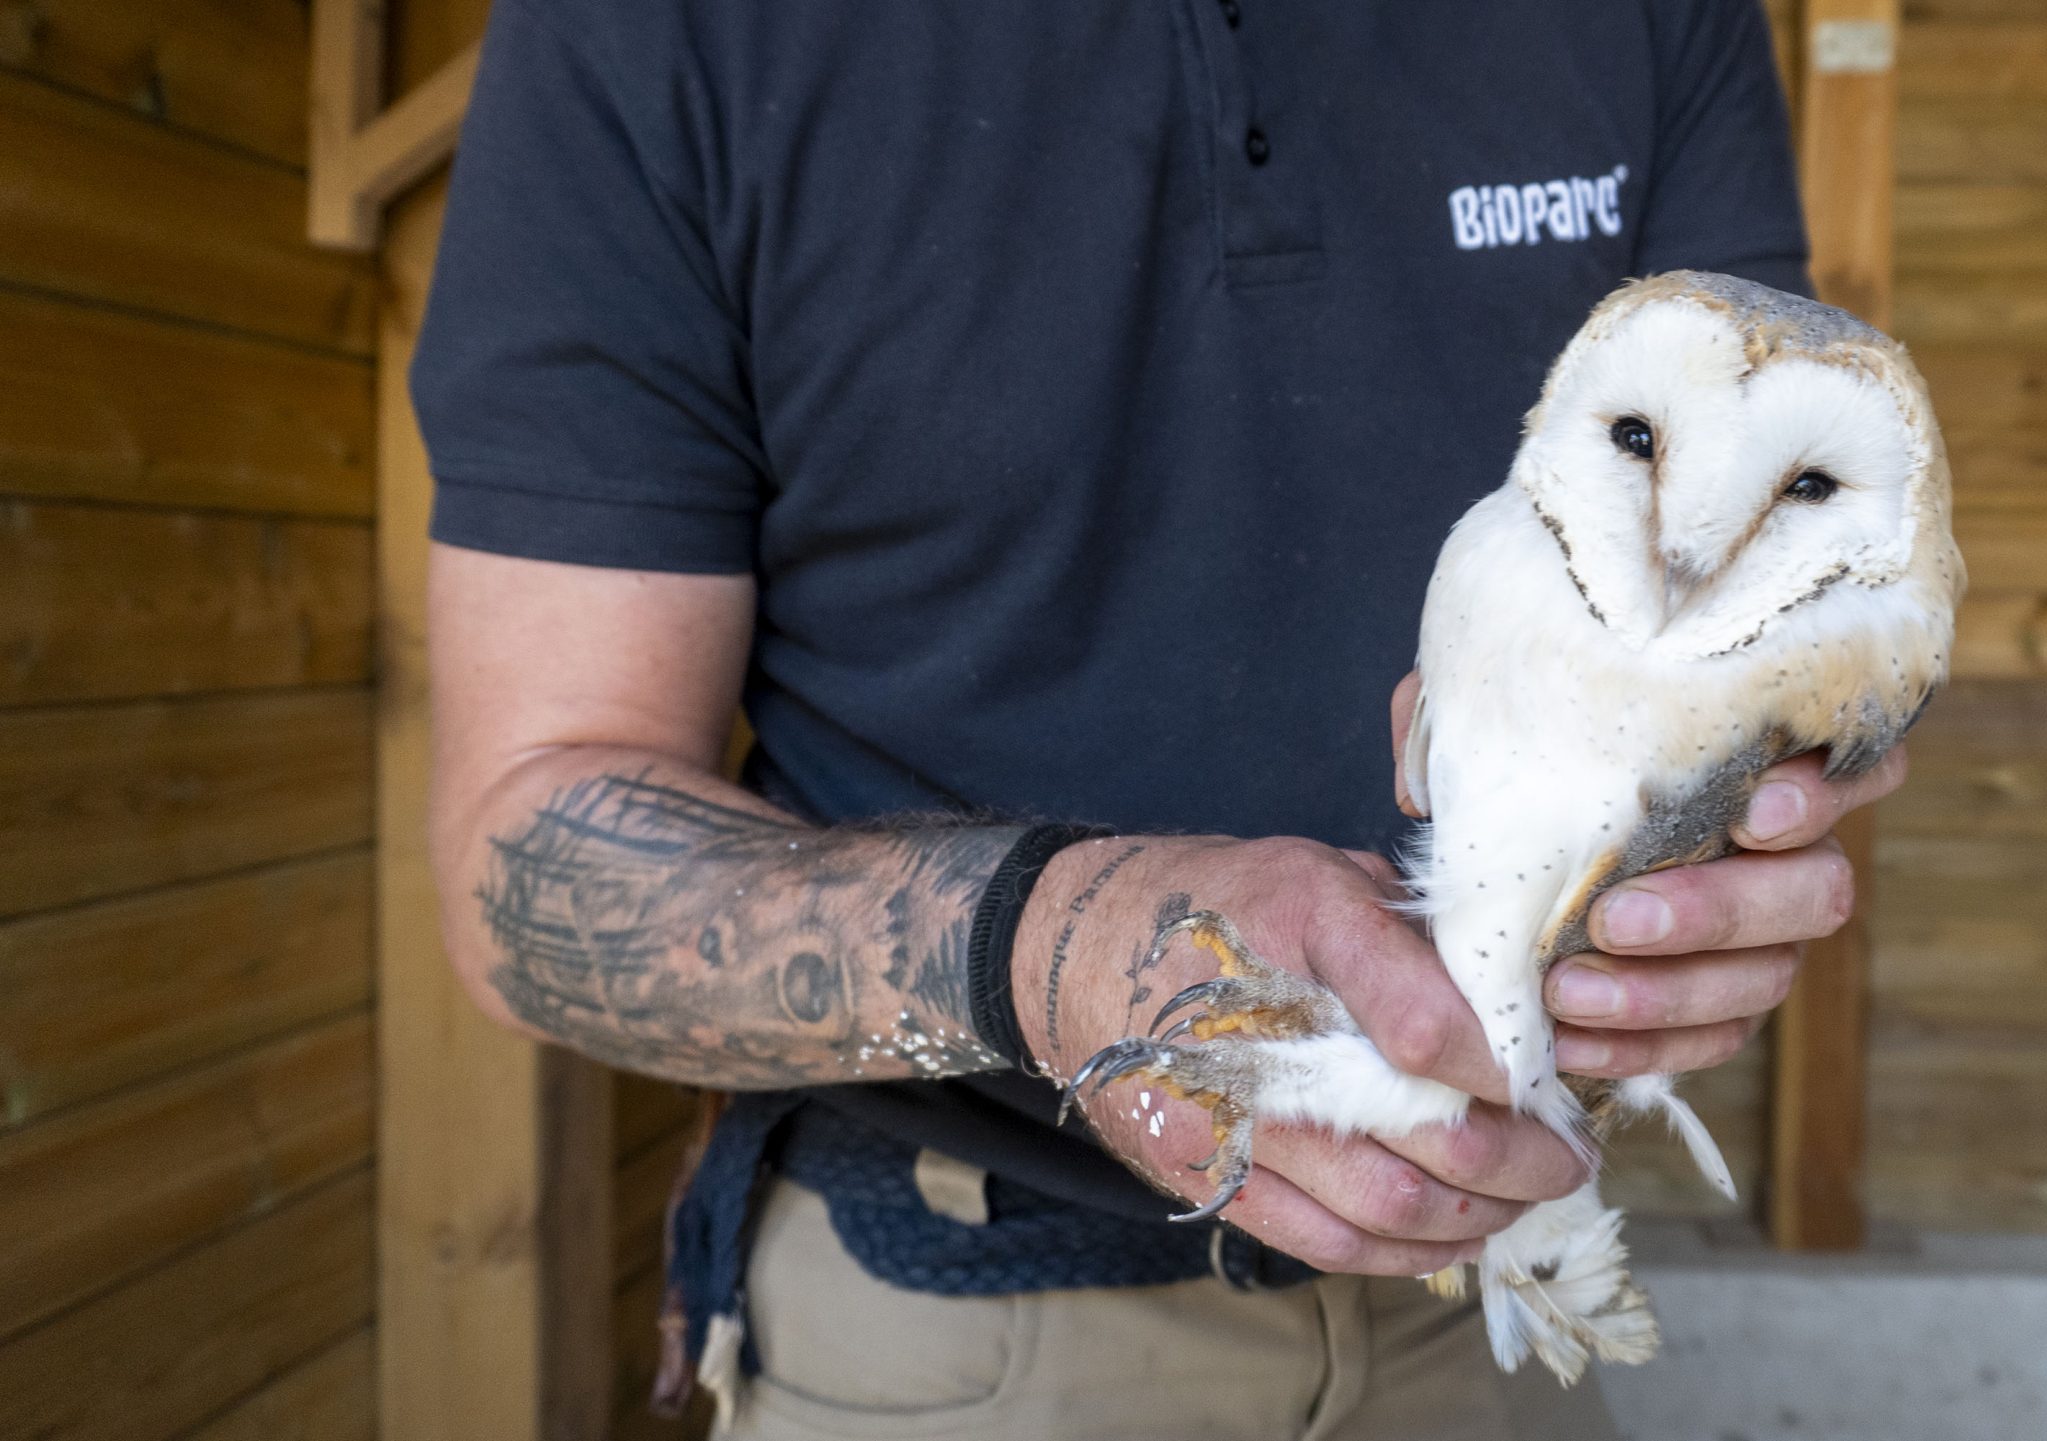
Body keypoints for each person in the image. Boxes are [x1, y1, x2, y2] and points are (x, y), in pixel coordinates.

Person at [414, 1, 1901, 1436]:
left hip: (1497, 1275)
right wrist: (1054, 949)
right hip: (953, 1311)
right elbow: (530, 841)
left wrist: (1743, 813)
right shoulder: (656, 26)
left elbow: (1780, 527)